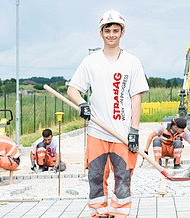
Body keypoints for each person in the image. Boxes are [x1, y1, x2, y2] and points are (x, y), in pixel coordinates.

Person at [67, 9, 149, 218]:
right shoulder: (90, 62)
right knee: (95, 177)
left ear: (122, 33)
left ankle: (120, 214)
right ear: (101, 33)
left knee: (123, 177)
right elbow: (72, 89)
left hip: (122, 134)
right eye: (107, 30)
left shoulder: (132, 62)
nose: (111, 34)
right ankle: (99, 214)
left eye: (115, 30)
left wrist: (134, 130)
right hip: (97, 132)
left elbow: (135, 98)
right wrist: (82, 104)